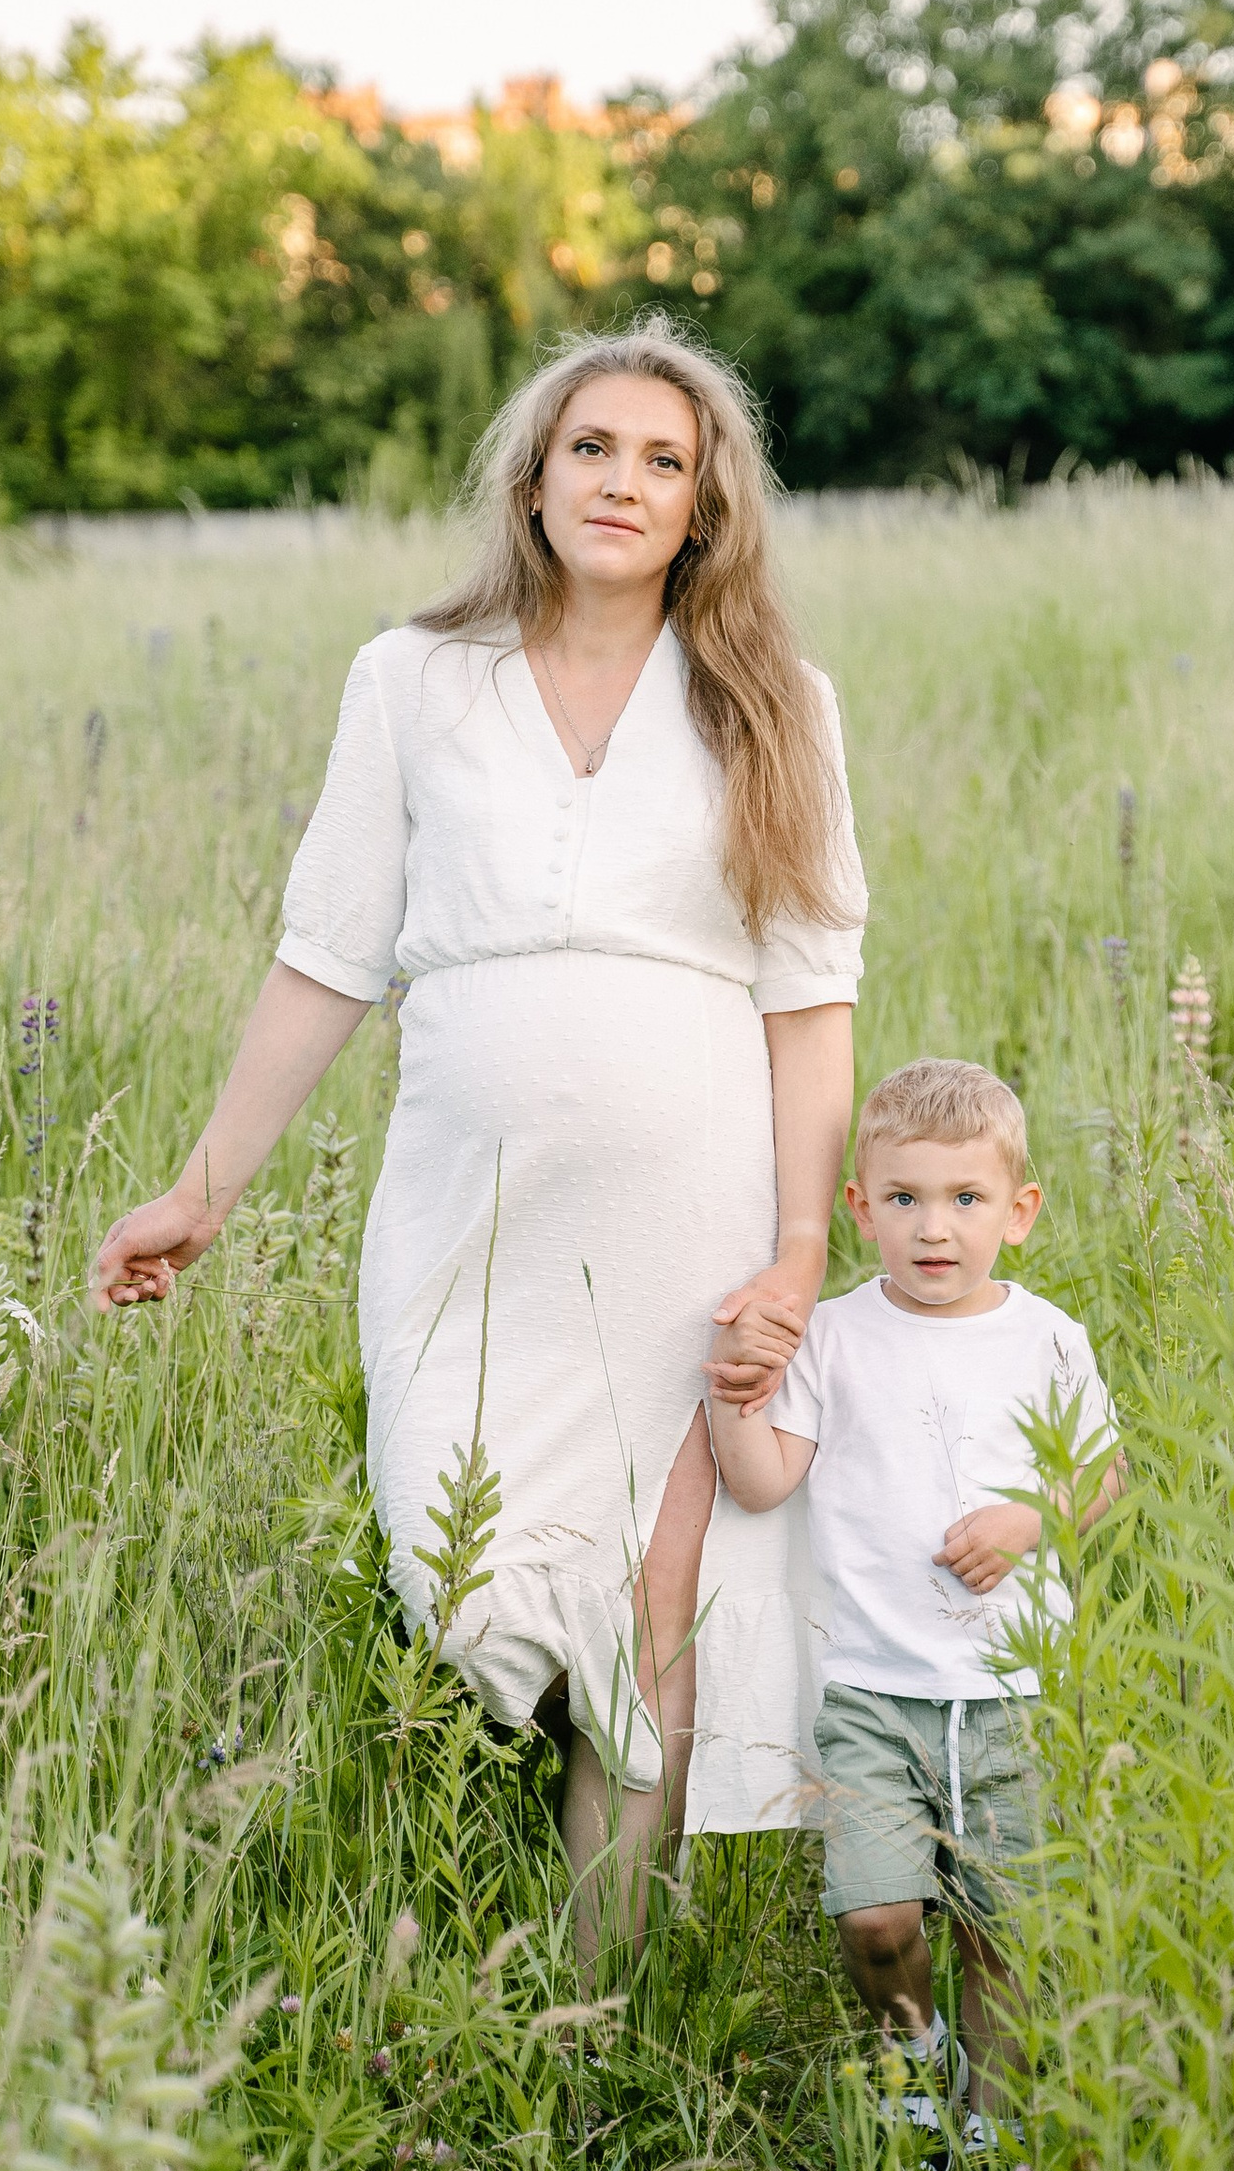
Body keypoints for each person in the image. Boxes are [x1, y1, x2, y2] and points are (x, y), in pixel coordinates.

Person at [90, 320, 867, 1967]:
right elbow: (327, 951)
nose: (624, 481)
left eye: (666, 460)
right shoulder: (414, 679)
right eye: (595, 447)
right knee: (458, 1569)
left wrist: (801, 1250)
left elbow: (809, 1001)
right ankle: (473, 1879)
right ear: (533, 474)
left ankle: (598, 2003)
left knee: (656, 1616)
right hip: (471, 1212)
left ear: (710, 508)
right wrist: (203, 1187)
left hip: (694, 1220)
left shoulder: (773, 704)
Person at [705, 1057, 1120, 2156]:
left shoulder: (1046, 1338)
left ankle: (988, 2135)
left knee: (1001, 1930)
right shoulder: (836, 1337)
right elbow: (760, 1481)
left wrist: (1031, 1515)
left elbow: (1100, 1475)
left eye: (965, 1200)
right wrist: (727, 1392)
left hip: (1012, 1690)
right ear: (859, 1208)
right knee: (875, 1917)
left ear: (1017, 1213)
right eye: (904, 1199)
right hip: (874, 1694)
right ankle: (913, 2054)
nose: (934, 1228)